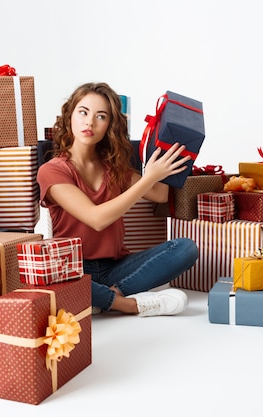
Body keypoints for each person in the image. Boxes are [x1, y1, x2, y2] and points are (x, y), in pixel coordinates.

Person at [37, 82, 199, 317]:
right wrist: (147, 178)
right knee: (51, 279)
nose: (89, 122)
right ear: (70, 116)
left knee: (186, 248)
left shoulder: (114, 169)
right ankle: (129, 305)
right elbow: (96, 219)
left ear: (109, 126)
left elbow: (159, 194)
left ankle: (106, 297)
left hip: (117, 267)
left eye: (100, 116)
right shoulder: (52, 171)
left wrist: (163, 147)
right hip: (73, 269)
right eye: (83, 112)